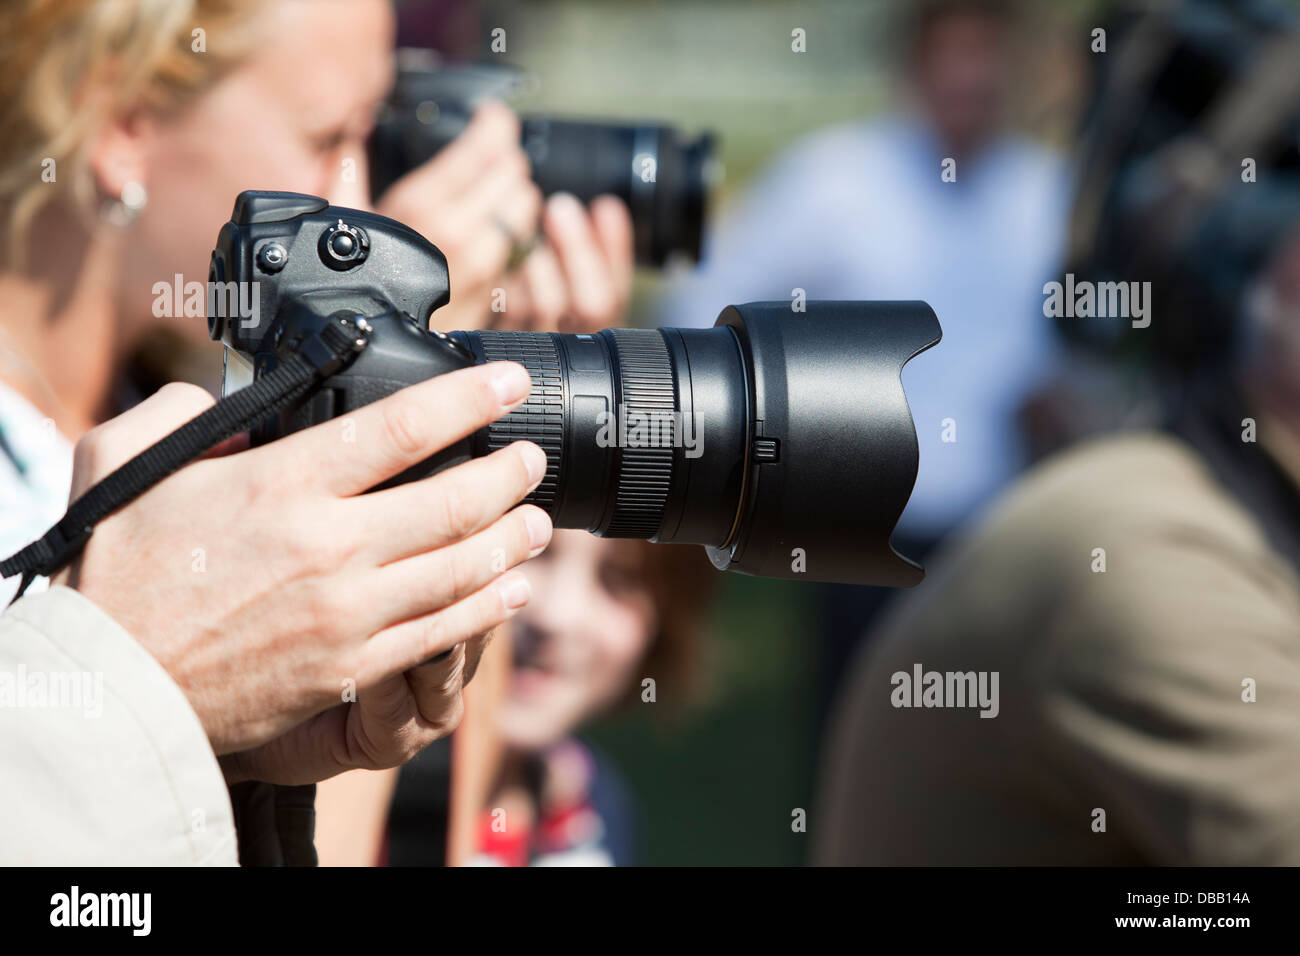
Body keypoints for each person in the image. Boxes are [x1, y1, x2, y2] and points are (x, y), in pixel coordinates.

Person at [0, 0, 632, 863]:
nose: (360, 197)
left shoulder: (171, 407)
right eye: (331, 138)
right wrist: (375, 389)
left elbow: (452, 830)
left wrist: (467, 417)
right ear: (127, 123)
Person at [654, 0, 1073, 709]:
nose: (970, 77)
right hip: (861, 530)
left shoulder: (1047, 194)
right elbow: (702, 307)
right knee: (861, 726)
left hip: (1002, 531)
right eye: (954, 54)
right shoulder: (834, 180)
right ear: (914, 64)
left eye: (987, 55)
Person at [313, 529, 715, 866]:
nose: (556, 615)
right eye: (533, 551)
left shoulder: (596, 810)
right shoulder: (331, 757)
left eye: (619, 578)